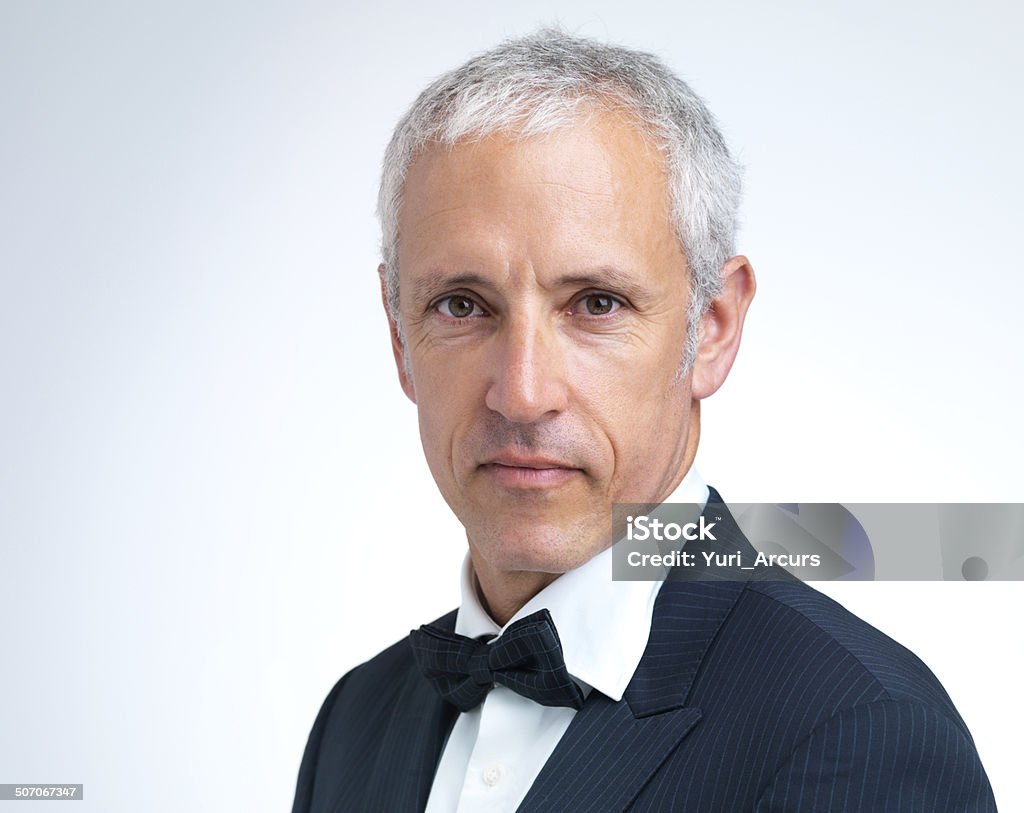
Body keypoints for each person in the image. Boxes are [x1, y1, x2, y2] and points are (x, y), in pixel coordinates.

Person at [292, 30, 996, 812]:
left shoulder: (866, 732)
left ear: (714, 328)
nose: (522, 394)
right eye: (462, 305)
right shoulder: (352, 721)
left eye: (597, 303)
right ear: (399, 339)